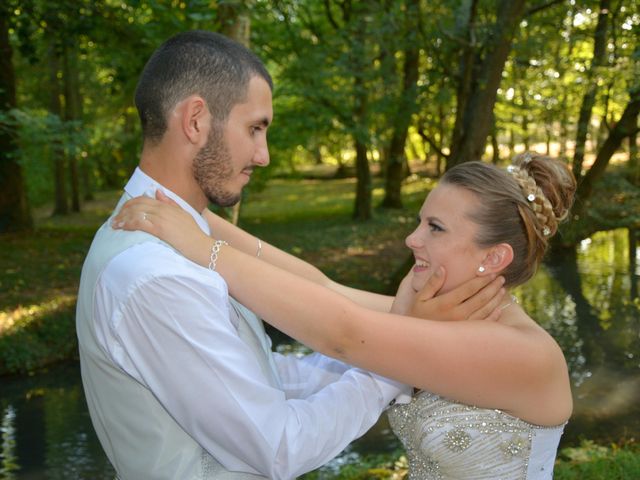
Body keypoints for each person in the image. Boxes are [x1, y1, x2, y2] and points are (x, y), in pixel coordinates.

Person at [76, 30, 505, 479]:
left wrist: (391, 343)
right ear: (196, 121)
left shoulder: (177, 235)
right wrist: (396, 367)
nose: (262, 156)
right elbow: (279, 448)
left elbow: (259, 378)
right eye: (255, 128)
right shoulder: (157, 275)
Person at [113, 152, 576, 479]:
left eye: (434, 228)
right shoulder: (443, 315)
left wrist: (202, 250)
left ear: (493, 259)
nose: (412, 239)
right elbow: (324, 289)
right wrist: (199, 219)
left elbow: (343, 334)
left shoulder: (524, 354)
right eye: (420, 221)